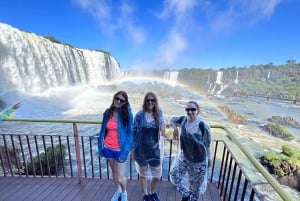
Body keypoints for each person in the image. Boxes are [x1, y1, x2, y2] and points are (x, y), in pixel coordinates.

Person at [169, 101, 211, 201]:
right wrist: (175, 128)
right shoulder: (183, 120)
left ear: (198, 111)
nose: (190, 112)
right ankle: (186, 194)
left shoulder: (203, 125)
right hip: (185, 157)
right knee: (174, 174)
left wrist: (209, 158)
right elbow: (171, 120)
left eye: (193, 109)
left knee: (195, 187)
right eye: (188, 109)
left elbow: (207, 144)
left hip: (199, 161)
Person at [98, 91, 133, 201]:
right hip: (107, 148)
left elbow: (130, 134)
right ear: (114, 98)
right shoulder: (108, 112)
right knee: (114, 172)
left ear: (125, 102)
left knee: (121, 177)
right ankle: (118, 190)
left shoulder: (127, 115)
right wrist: (100, 149)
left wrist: (126, 151)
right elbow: (102, 130)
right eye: (117, 98)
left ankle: (124, 193)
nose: (118, 101)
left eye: (121, 100)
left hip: (119, 150)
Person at [132, 92, 166, 201]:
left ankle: (152, 192)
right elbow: (133, 132)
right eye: (148, 100)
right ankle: (146, 195)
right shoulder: (139, 115)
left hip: (155, 150)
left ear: (155, 102)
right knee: (143, 175)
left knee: (157, 176)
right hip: (141, 150)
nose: (150, 102)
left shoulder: (159, 113)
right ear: (145, 102)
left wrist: (173, 130)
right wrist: (132, 151)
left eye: (152, 100)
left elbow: (163, 130)